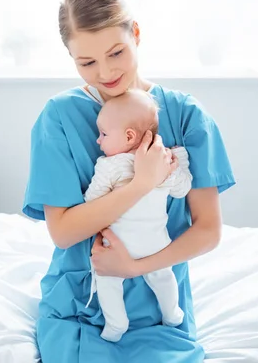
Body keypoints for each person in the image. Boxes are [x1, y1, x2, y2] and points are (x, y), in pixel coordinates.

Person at [22, 0, 235, 362]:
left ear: (135, 34)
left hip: (161, 311)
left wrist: (135, 267)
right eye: (86, 62)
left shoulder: (187, 116)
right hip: (79, 305)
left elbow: (208, 230)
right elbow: (64, 230)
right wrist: (141, 184)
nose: (104, 72)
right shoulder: (57, 117)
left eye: (116, 52)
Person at [83, 89, 192, 343]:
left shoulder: (109, 165)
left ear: (129, 136)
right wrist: (180, 161)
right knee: (164, 276)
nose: (98, 141)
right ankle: (173, 313)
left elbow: (92, 201)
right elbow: (182, 190)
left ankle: (116, 323)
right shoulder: (163, 162)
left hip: (118, 246)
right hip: (156, 245)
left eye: (104, 134)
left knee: (108, 280)